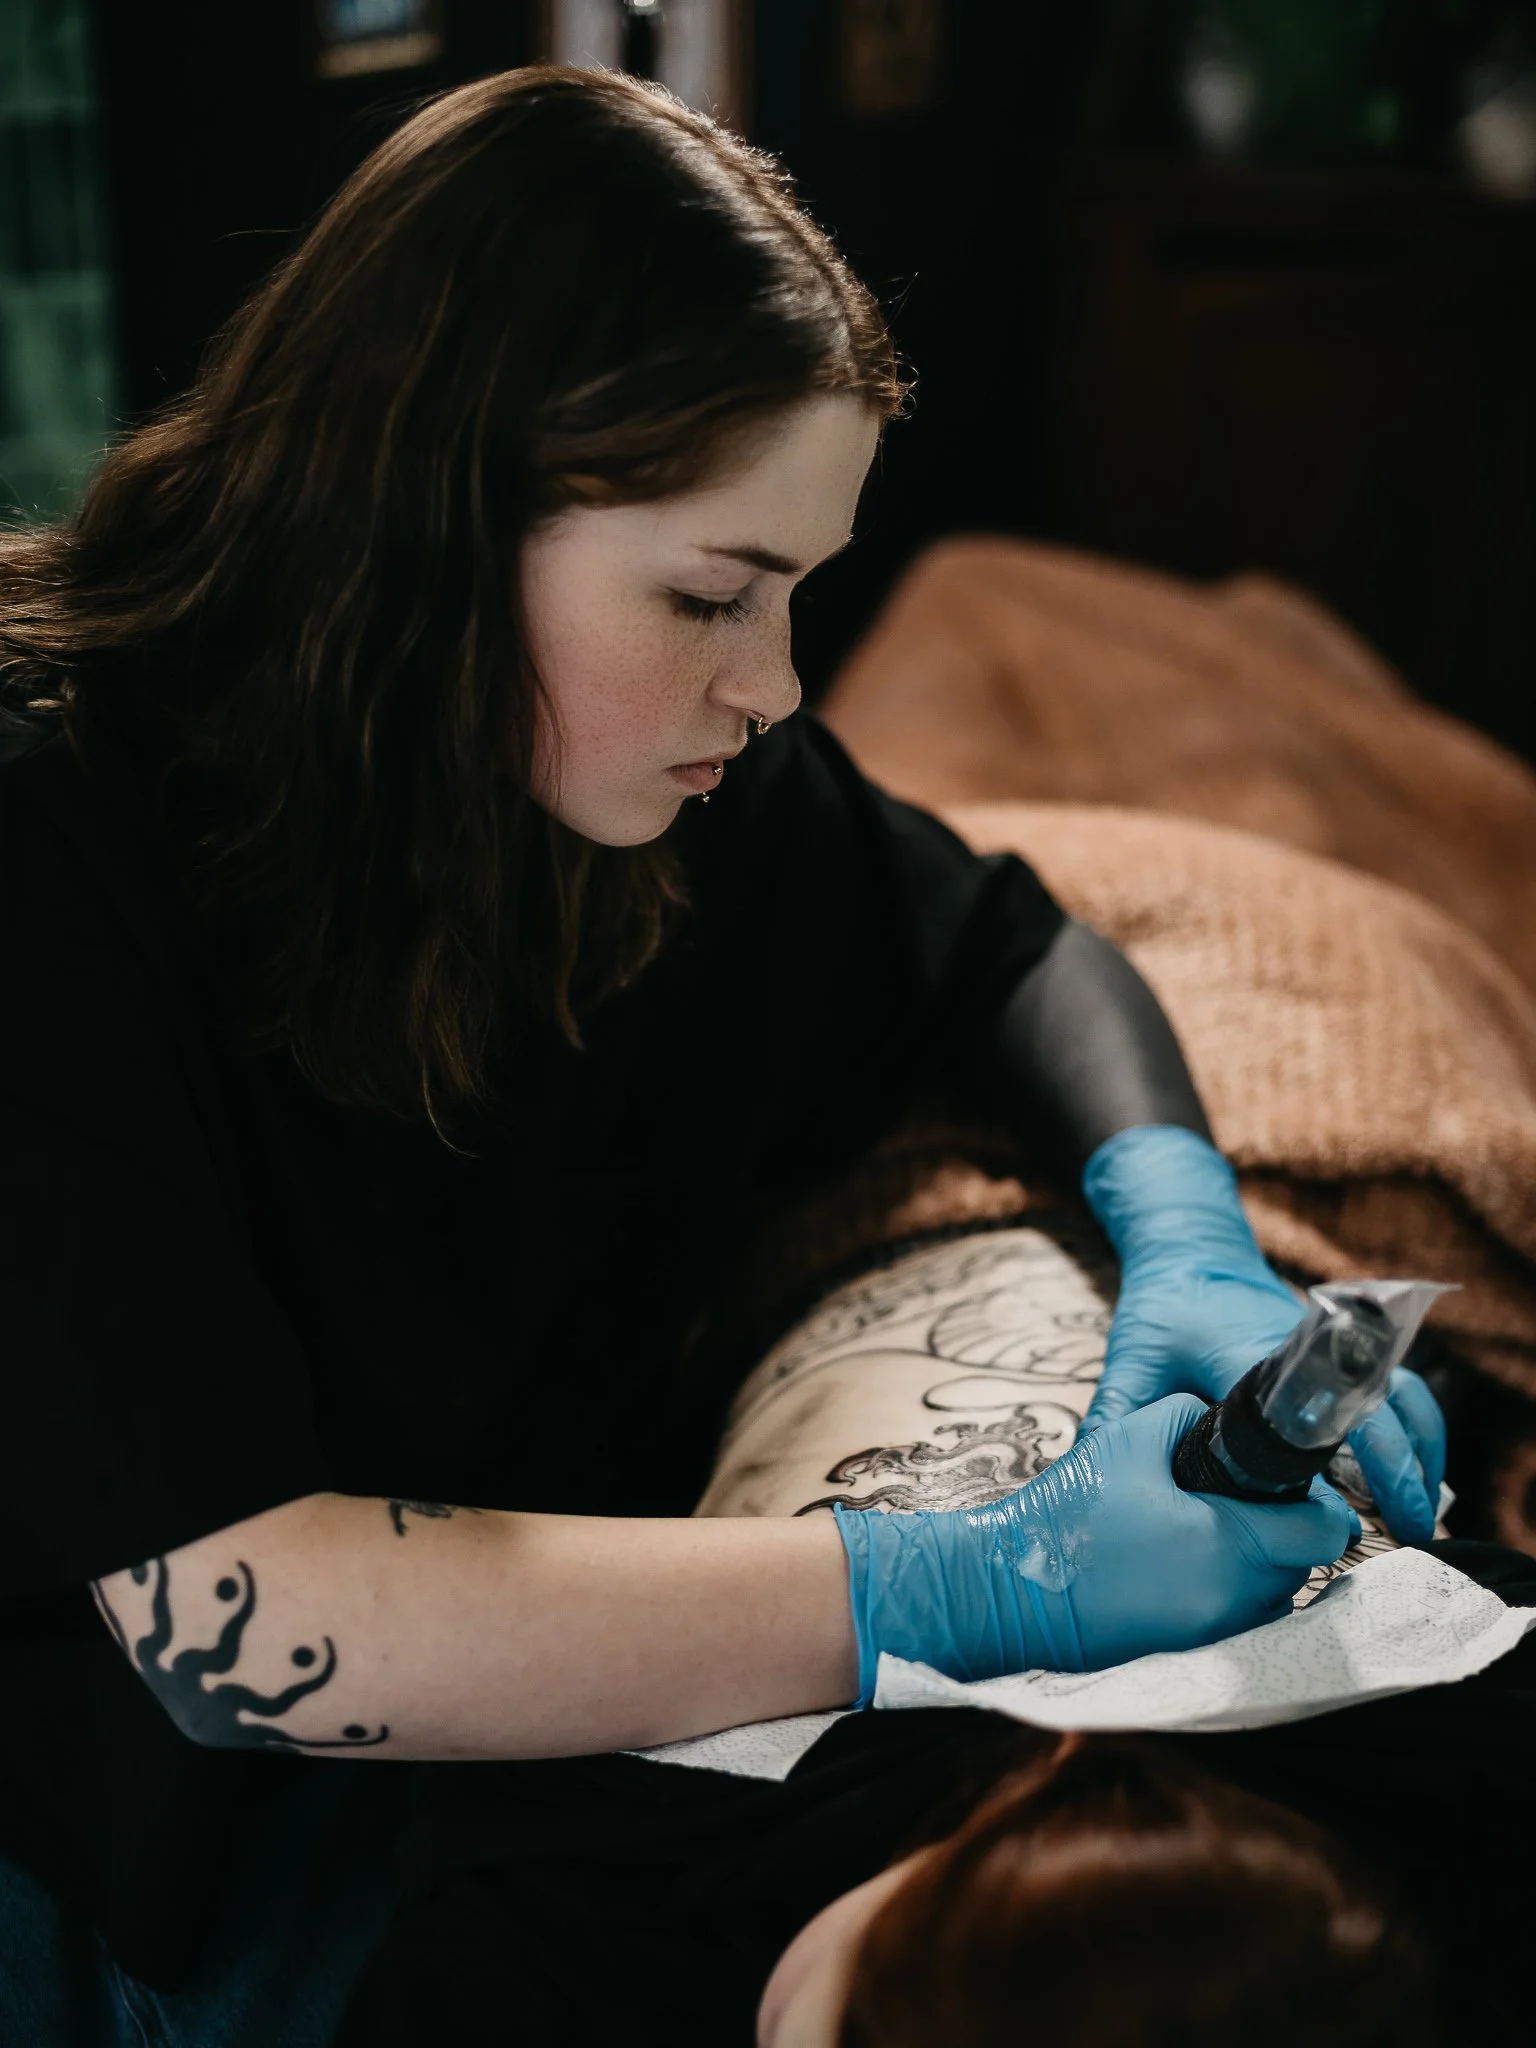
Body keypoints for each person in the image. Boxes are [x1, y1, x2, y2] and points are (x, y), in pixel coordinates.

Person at [0, 65, 1441, 2043]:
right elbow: (253, 1634)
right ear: (422, 512)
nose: (766, 687)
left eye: (797, 597)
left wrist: (1186, 1225)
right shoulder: (45, 835)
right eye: (705, 596)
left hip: (548, 1769)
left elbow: (1014, 951)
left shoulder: (660, 777)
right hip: (182, 1862)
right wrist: (969, 1577)